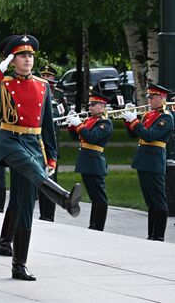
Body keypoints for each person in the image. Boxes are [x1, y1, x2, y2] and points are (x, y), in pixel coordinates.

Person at [0, 34, 81, 281]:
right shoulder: (2, 82)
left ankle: (19, 265)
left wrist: (52, 158)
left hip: (34, 143)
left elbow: (48, 127)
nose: (28, 59)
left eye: (30, 55)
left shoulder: (43, 86)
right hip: (9, 140)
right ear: (12, 59)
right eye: (22, 55)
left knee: (25, 204)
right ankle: (63, 198)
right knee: (31, 168)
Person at [121, 83, 174, 241]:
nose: (149, 100)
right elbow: (134, 134)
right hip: (143, 160)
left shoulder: (166, 117)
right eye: (149, 97)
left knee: (158, 200)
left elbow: (149, 135)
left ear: (162, 98)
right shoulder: (149, 115)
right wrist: (128, 120)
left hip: (155, 160)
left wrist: (135, 122)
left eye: (153, 97)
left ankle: (158, 236)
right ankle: (151, 235)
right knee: (150, 201)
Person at [66, 91, 113, 231]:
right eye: (90, 105)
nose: (90, 107)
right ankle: (93, 225)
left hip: (95, 162)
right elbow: (77, 137)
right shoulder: (90, 120)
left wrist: (79, 125)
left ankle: (98, 226)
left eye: (93, 105)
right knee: (94, 197)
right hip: (86, 162)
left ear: (102, 106)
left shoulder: (105, 123)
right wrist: (71, 125)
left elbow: (92, 137)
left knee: (100, 197)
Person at [36, 65, 62, 222]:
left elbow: (61, 114)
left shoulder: (59, 95)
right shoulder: (38, 91)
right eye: (44, 75)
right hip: (39, 142)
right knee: (40, 178)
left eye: (49, 76)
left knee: (51, 178)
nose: (47, 78)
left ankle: (49, 215)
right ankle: (42, 213)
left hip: (52, 141)